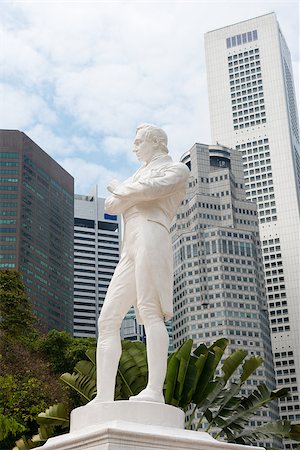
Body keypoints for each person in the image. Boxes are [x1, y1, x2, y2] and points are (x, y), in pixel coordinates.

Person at [94, 124, 189, 404]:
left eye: (138, 142)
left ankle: (154, 391)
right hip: (130, 243)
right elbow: (112, 204)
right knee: (107, 319)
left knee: (150, 311)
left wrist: (123, 189)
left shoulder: (176, 170)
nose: (134, 147)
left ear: (156, 142)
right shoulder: (138, 174)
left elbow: (151, 190)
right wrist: (126, 191)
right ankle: (103, 396)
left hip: (152, 234)